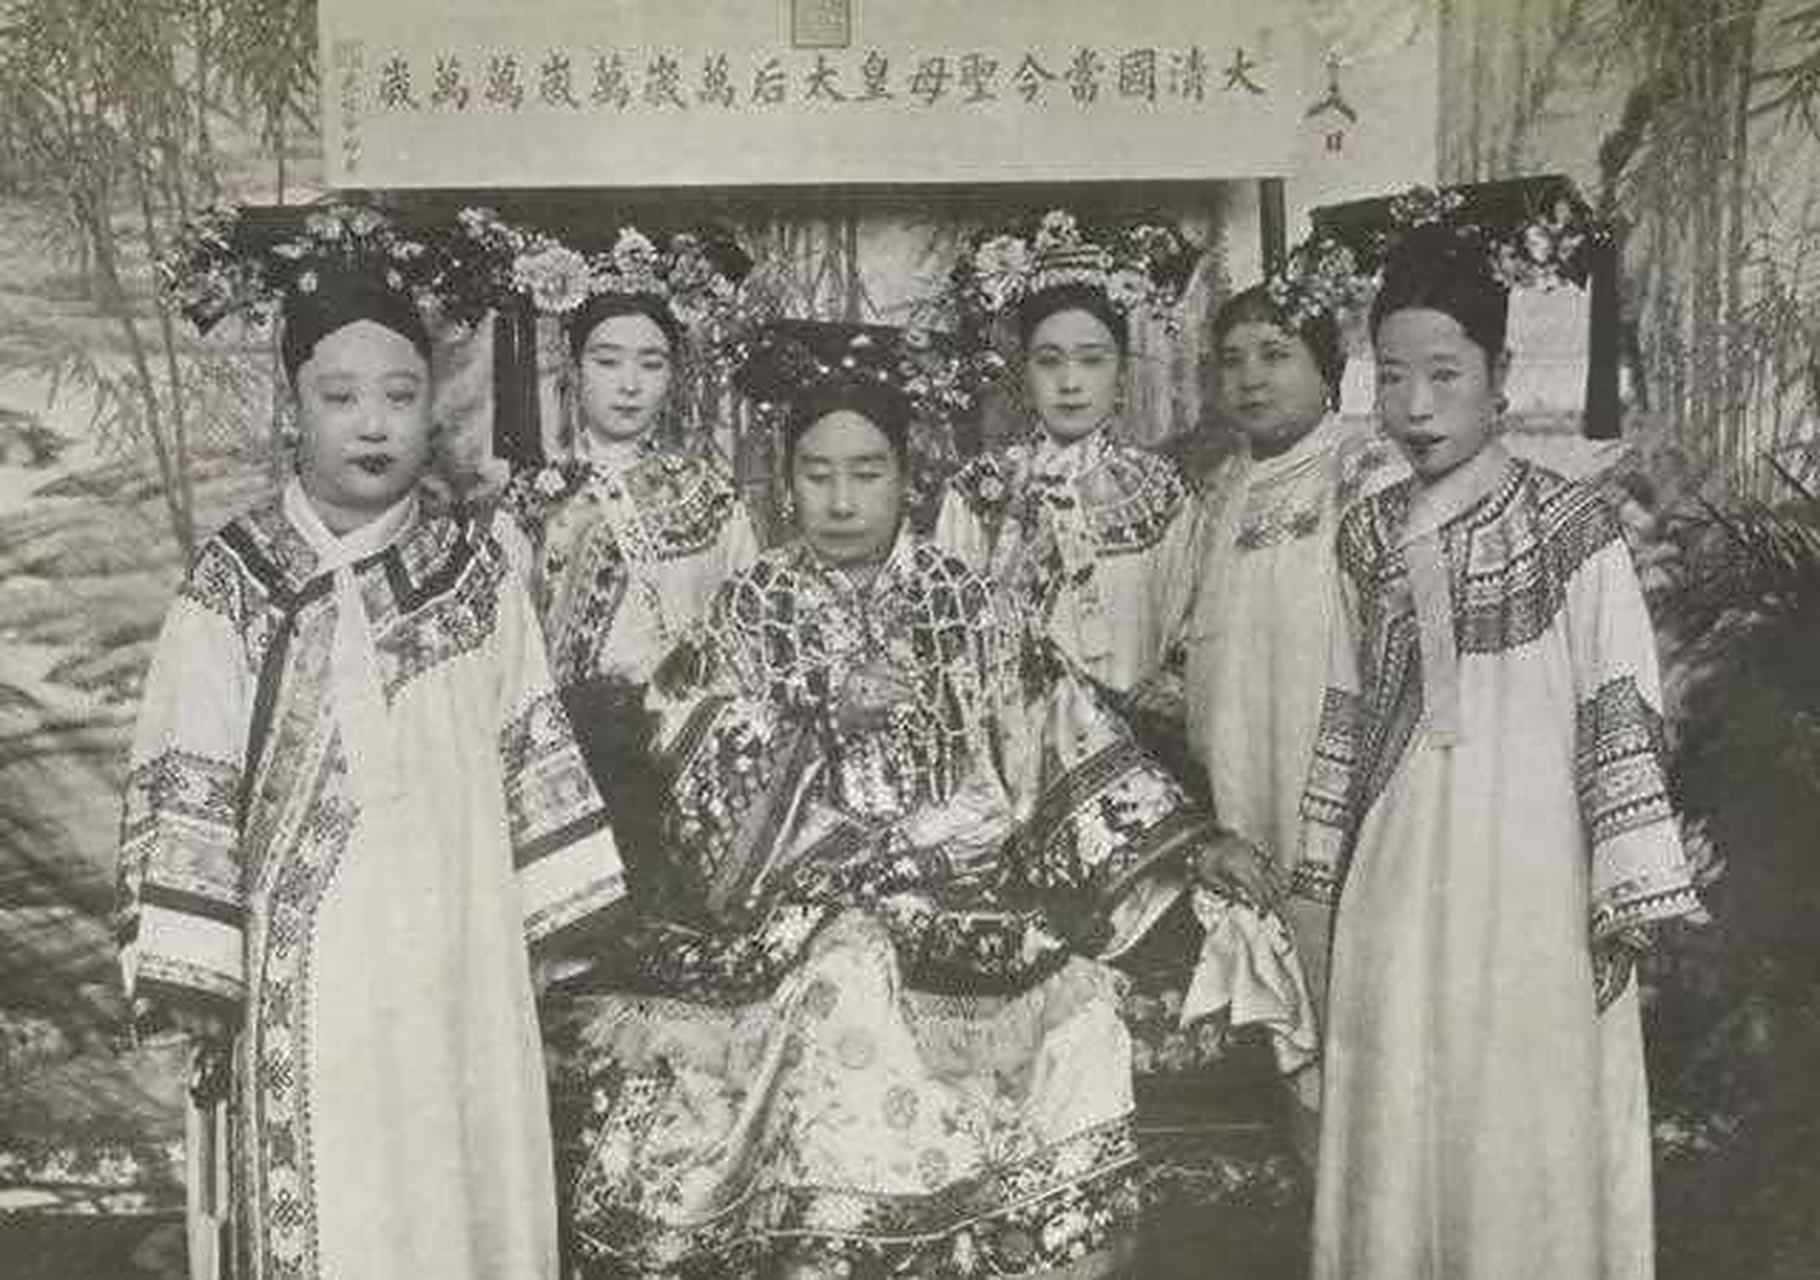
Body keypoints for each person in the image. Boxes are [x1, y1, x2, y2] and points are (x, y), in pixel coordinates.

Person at [549, 320, 1316, 1279]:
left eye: (866, 473)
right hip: (793, 907)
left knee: (1077, 1015)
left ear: (909, 479)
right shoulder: (748, 608)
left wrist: (1190, 843)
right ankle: (844, 1247)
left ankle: (988, 1244)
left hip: (961, 900)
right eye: (817, 474)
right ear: (785, 483)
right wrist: (814, 721)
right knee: (846, 971)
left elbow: (1066, 731)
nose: (841, 499)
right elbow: (684, 748)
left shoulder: (971, 602)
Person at [117, 207, 625, 1280]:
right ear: (293, 407)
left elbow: (530, 754)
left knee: (460, 1180)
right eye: (339, 397)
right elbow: (190, 775)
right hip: (306, 980)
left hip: (461, 954)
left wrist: (536, 945)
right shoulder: (234, 580)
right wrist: (203, 978)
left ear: (433, 404)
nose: (372, 423)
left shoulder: (477, 576)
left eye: (399, 395)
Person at [1294, 227, 1703, 1280]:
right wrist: (1318, 877)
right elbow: (1344, 708)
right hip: (1396, 880)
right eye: (1392, 377)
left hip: (1533, 877)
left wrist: (1619, 890)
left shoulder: (1571, 525)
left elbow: (1618, 701)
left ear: (1499, 372)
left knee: (1522, 1112)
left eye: (1444, 374)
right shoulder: (1364, 535)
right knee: (1399, 1110)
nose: (1416, 406)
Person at [500, 226, 758, 894]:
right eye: (608, 361)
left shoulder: (710, 496)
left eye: (652, 364)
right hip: (570, 761)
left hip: (693, 755)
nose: (629, 385)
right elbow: (509, 654)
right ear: (574, 366)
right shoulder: (530, 503)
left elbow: (744, 631)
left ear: (673, 375)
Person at [1183, 282, 1404, 1012]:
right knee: (1275, 981)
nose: (1250, 377)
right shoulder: (1223, 487)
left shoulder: (1365, 469)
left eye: (1276, 355)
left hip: (1335, 759)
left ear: (1327, 367)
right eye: (1232, 360)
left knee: (1357, 975)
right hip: (1245, 763)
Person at [935, 211, 1200, 698]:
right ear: (1024, 375)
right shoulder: (978, 491)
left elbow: (1189, 627)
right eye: (1049, 361)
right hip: (1009, 735)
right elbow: (948, 637)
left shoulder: (1161, 493)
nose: (1070, 382)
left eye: (1092, 360)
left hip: (1134, 734)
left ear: (1121, 376)